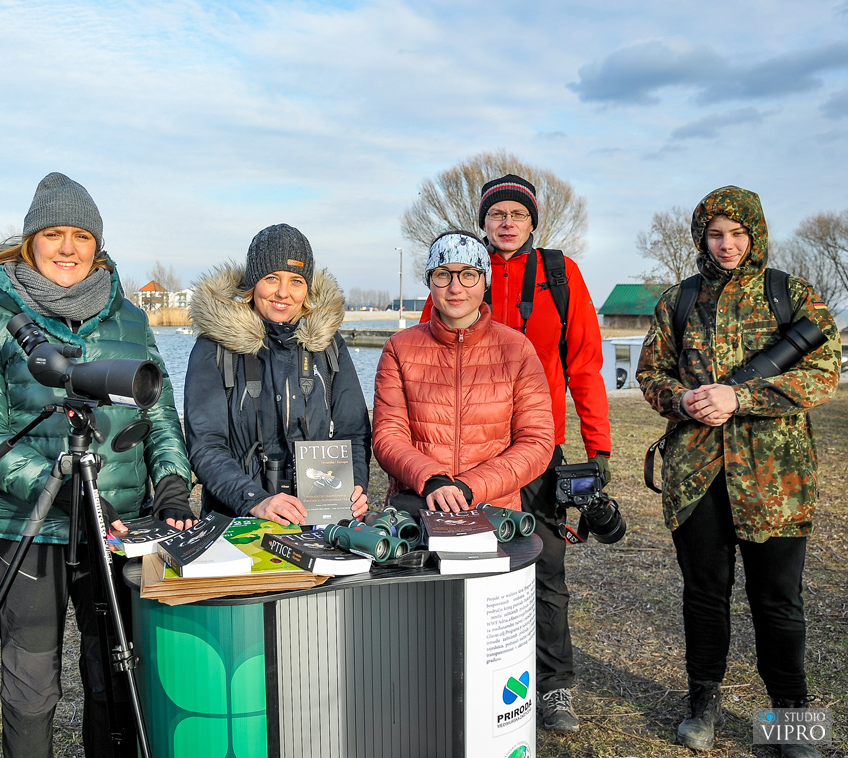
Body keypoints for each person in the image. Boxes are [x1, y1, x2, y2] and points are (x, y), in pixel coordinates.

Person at [0, 172, 193, 758]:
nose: (67, 248)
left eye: (80, 236)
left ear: (97, 246)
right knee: (31, 687)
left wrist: (172, 484)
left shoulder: (131, 319)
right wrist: (63, 491)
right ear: (30, 241)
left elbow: (159, 415)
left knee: (114, 675)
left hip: (118, 528)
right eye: (53, 234)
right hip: (27, 529)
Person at [637, 186, 838, 757]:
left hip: (776, 478)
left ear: (756, 234)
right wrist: (683, 400)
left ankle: (791, 718)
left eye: (738, 233)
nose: (727, 244)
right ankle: (702, 704)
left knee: (778, 598)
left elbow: (823, 371)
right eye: (715, 234)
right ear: (701, 237)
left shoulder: (791, 294)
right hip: (696, 474)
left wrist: (739, 397)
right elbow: (651, 373)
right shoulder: (679, 299)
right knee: (704, 594)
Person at [418, 174, 611, 731]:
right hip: (466, 451)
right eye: (497, 214)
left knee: (545, 567)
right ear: (483, 222)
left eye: (518, 214)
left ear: (532, 222)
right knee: (458, 561)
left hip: (536, 448)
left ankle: (553, 686)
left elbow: (585, 364)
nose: (507, 223)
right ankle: (466, 676)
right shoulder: (463, 275)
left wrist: (598, 446)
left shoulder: (559, 275)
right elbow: (428, 353)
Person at [184, 223, 371, 525]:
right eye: (271, 278)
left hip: (317, 519)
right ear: (253, 284)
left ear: (307, 289)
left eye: (296, 281)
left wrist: (356, 486)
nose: (283, 292)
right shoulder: (215, 346)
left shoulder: (328, 345)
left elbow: (354, 432)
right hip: (235, 519)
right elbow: (205, 445)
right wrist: (255, 501)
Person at [374, 230, 553, 524]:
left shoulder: (517, 349)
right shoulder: (399, 348)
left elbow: (536, 442)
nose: (455, 287)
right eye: (443, 274)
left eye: (469, 274)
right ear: (430, 281)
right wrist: (431, 479)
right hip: (418, 512)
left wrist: (469, 487)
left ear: (485, 281)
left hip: (494, 514)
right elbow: (388, 435)